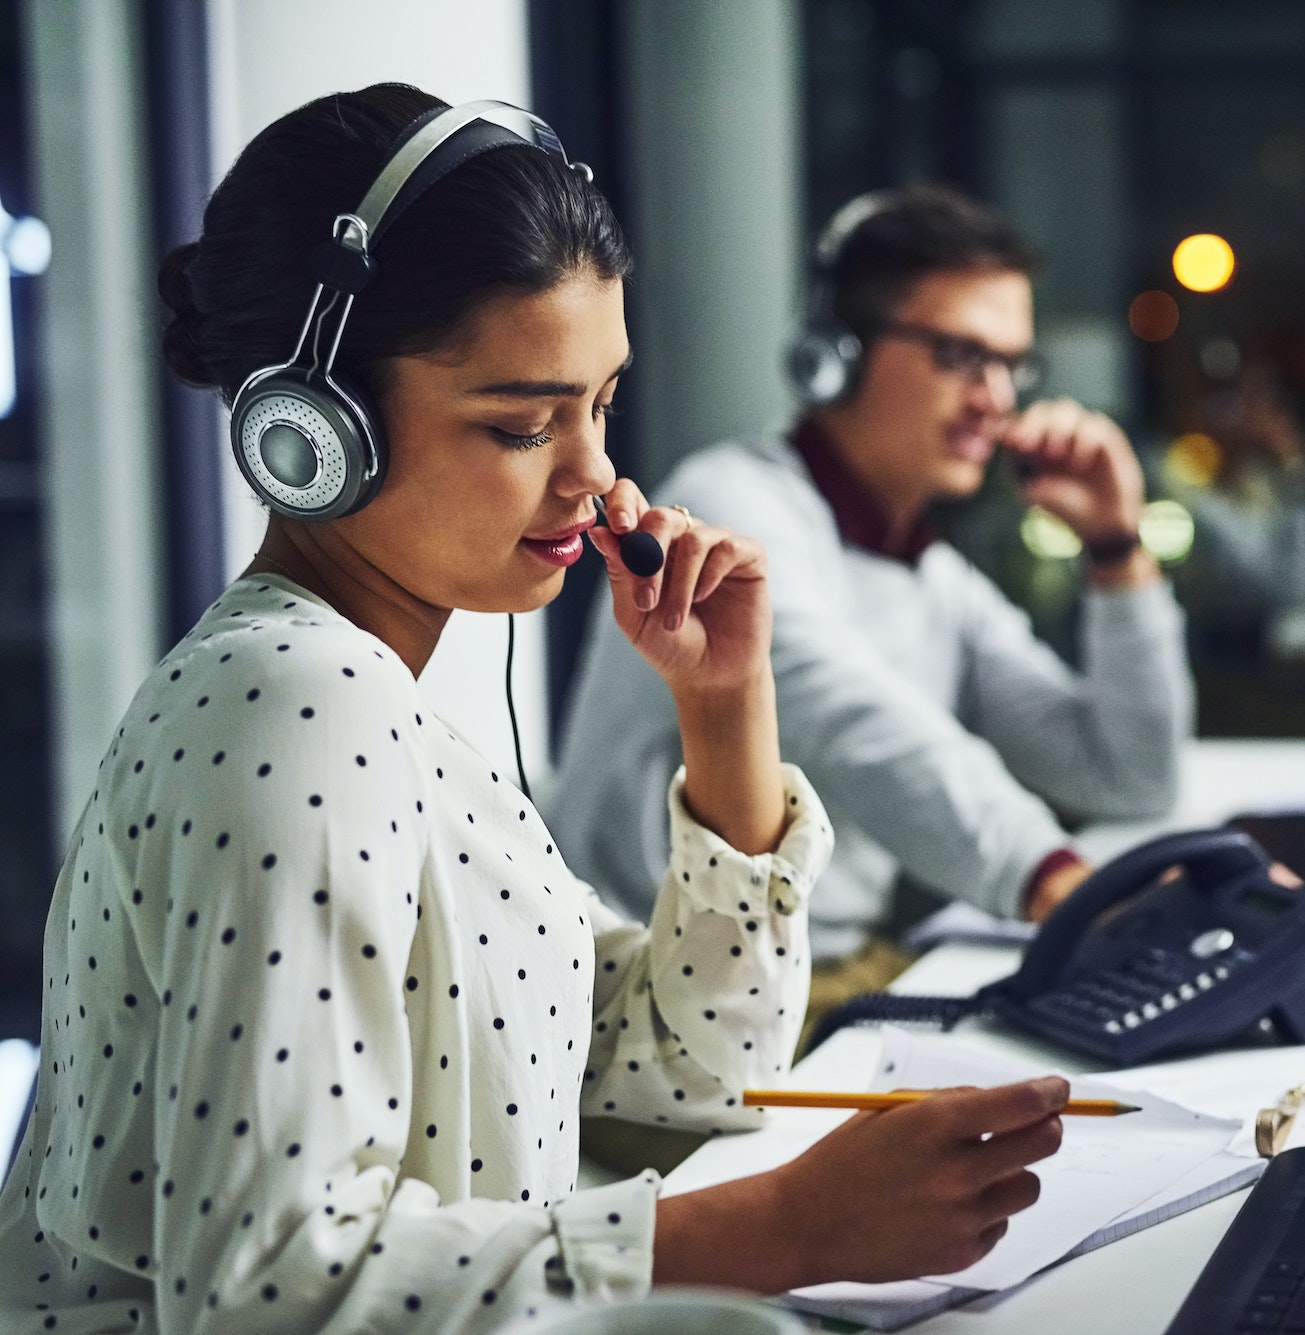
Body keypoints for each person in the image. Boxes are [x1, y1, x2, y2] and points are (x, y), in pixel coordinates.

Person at [0, 86, 1067, 1332]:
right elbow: (265, 1294)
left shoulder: (388, 708)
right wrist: (785, 1228)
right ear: (312, 434)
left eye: (601, 406)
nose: (596, 480)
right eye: (521, 424)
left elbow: (701, 1075)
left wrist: (724, 716)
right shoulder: (288, 709)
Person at [553, 185, 1194, 1021]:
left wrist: (1116, 548)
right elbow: (865, 726)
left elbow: (1129, 774)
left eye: (1012, 365)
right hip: (659, 998)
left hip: (814, 976)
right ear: (839, 353)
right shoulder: (728, 504)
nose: (998, 398)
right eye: (964, 355)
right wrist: (1057, 881)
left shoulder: (930, 573)